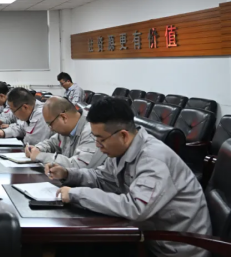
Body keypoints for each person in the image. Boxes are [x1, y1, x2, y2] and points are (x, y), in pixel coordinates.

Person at [47, 97, 211, 257]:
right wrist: (68, 174)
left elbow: (136, 208)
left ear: (123, 135)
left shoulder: (153, 159)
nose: (97, 145)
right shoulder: (121, 150)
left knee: (81, 245)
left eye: (100, 139)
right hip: (148, 234)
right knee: (76, 244)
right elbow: (101, 178)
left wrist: (76, 194)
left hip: (175, 247)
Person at [25, 96, 106, 169]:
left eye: (50, 124)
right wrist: (37, 148)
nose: (51, 129)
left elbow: (79, 166)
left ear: (63, 117)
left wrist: (40, 156)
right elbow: (51, 143)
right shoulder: (66, 129)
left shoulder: (91, 131)